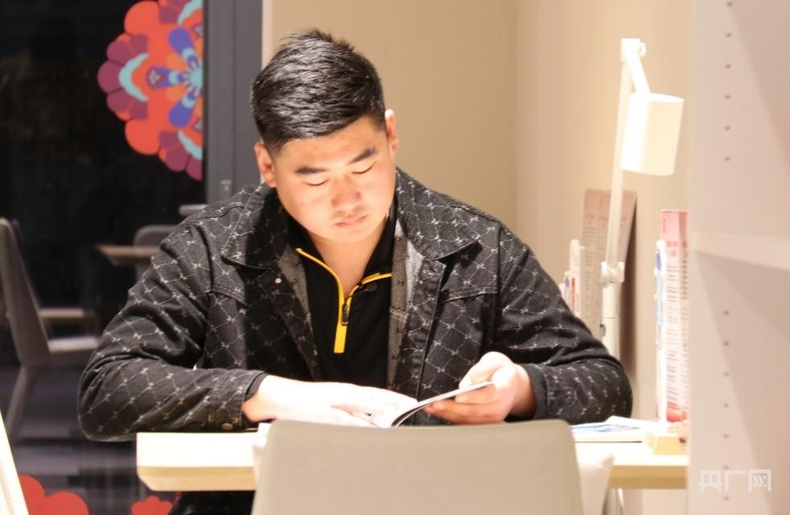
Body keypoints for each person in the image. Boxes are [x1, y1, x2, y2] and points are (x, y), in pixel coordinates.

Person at [79, 29, 632, 514]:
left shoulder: (474, 246)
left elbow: (604, 383)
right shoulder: (212, 247)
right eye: (314, 179)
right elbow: (108, 389)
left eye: (363, 166)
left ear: (391, 134)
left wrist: (520, 391)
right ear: (268, 165)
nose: (346, 200)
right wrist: (266, 395)